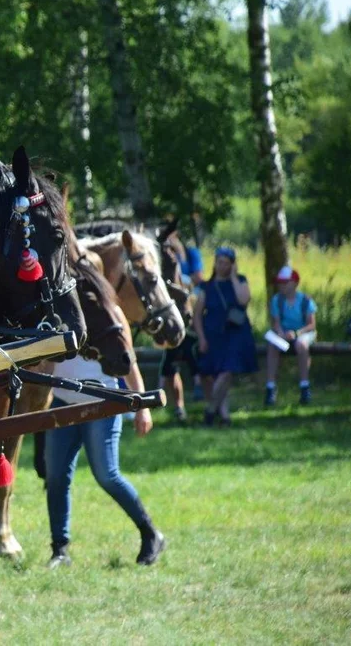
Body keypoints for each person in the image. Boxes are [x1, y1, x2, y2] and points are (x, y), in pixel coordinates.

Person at [46, 356, 165, 568]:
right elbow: (46, 362)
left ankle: (151, 533)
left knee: (107, 475)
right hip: (62, 403)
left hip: (103, 404)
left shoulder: (109, 320)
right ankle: (60, 550)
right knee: (55, 477)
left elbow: (128, 360)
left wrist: (143, 407)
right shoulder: (59, 321)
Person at [195, 246, 256, 426]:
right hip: (213, 335)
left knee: (227, 372)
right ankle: (224, 415)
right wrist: (201, 338)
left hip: (236, 335)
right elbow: (197, 314)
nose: (221, 266)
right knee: (213, 374)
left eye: (226, 263)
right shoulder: (206, 287)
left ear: (232, 264)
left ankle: (210, 409)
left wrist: (234, 277)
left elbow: (243, 300)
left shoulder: (241, 281)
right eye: (218, 262)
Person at [160, 225, 205, 421]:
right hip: (169, 312)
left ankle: (181, 394)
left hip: (188, 310)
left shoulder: (189, 253)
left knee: (183, 351)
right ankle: (178, 401)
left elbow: (198, 279)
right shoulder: (159, 255)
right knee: (173, 354)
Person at [265, 266, 317, 405]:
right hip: (285, 335)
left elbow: (311, 325)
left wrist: (296, 333)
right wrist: (281, 333)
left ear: (294, 283)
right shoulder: (277, 300)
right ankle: (270, 388)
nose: (281, 285)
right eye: (280, 282)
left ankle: (304, 386)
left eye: (285, 282)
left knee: (301, 345)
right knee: (272, 345)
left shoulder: (306, 301)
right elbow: (276, 323)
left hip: (303, 334)